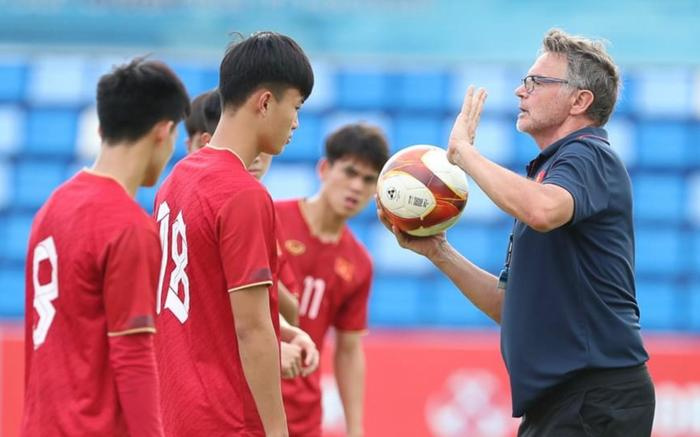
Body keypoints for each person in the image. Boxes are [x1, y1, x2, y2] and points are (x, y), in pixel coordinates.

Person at [380, 28, 655, 437]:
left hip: (594, 396)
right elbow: (510, 309)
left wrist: (464, 154)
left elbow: (542, 210)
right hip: (563, 401)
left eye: (536, 82)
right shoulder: (549, 171)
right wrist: (440, 252)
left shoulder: (588, 155)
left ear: (580, 100)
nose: (519, 92)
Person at [154, 32, 314, 437]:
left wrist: (286, 328)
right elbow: (252, 329)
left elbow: (203, 296)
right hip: (229, 419)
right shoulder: (243, 195)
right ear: (264, 102)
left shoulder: (178, 179)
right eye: (294, 106)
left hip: (178, 412)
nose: (296, 122)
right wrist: (278, 431)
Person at [22, 58, 190, 437]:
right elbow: (133, 356)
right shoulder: (129, 227)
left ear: (102, 127)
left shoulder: (51, 209)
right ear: (163, 132)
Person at [182, 89, 317, 380]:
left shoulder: (259, 208)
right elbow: (241, 322)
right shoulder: (230, 201)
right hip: (216, 384)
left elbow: (288, 309)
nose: (255, 157)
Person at [276, 123, 390, 437]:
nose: (356, 187)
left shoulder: (359, 262)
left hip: (303, 415)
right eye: (350, 173)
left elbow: (349, 349)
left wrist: (355, 429)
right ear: (325, 169)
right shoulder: (270, 220)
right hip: (247, 399)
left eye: (368, 180)